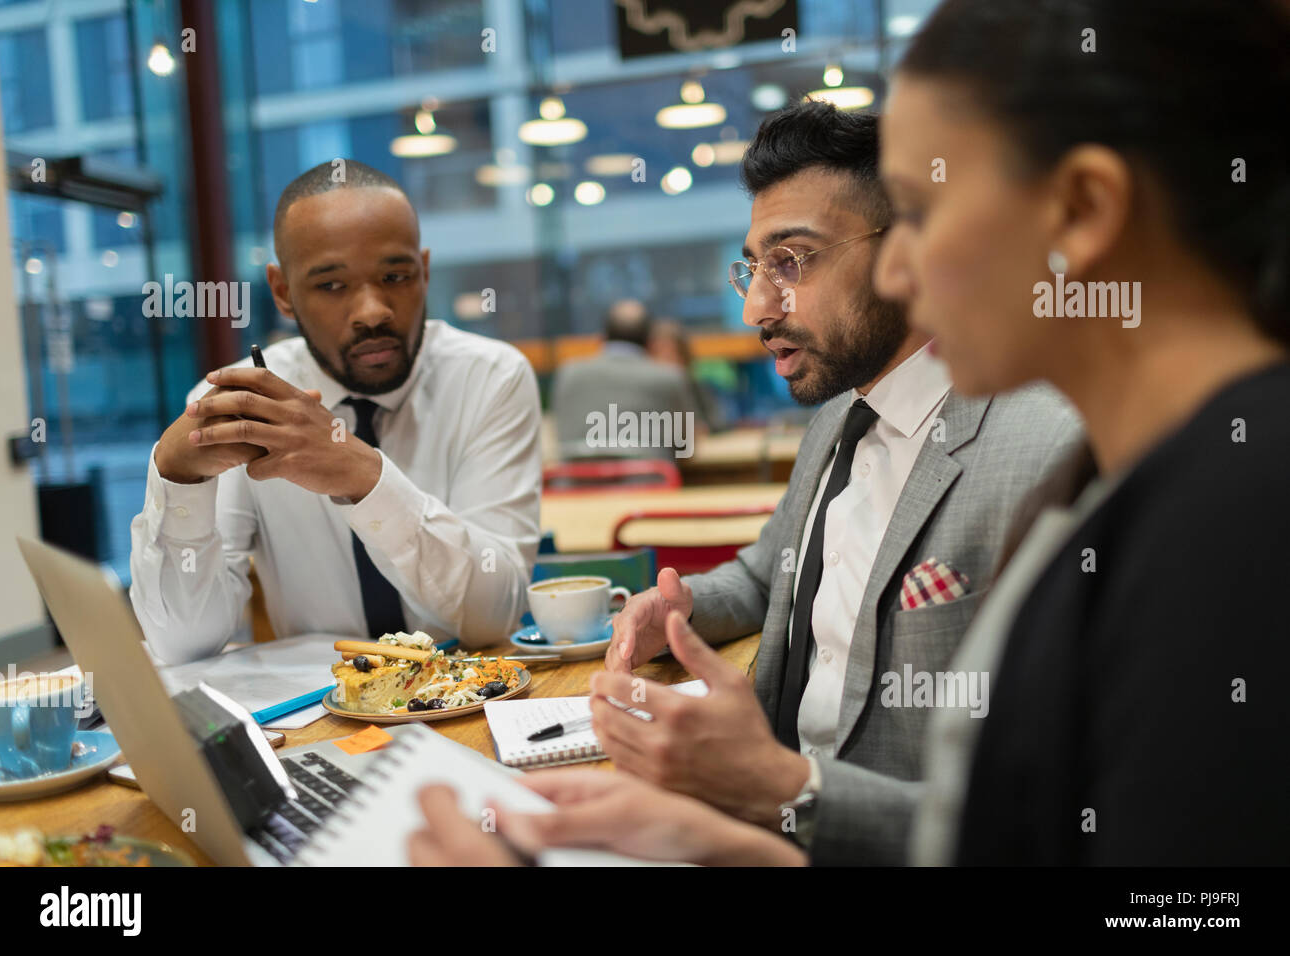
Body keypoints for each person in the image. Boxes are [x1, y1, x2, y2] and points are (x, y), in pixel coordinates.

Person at [599, 100, 1083, 864]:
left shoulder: (1053, 450)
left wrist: (786, 789)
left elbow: (1057, 812)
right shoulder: (837, 415)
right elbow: (766, 576)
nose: (758, 306)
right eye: (754, 268)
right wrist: (681, 608)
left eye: (792, 260)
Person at [871, 0, 1290, 864]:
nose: (891, 269)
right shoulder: (1125, 475)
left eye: (916, 210)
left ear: (1083, 208)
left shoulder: (1239, 522)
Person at [129, 160, 542, 663]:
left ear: (425, 270)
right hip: (322, 720)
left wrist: (365, 478)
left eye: (396, 276)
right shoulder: (244, 406)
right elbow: (183, 645)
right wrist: (176, 482)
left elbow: (493, 617)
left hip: (477, 700)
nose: (373, 312)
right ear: (282, 292)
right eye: (331, 285)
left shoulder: (490, 377)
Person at [551, 300, 701, 461]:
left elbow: (560, 438)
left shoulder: (567, 374)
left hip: (578, 484)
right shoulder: (671, 377)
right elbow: (687, 447)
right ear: (650, 342)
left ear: (603, 338)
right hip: (650, 484)